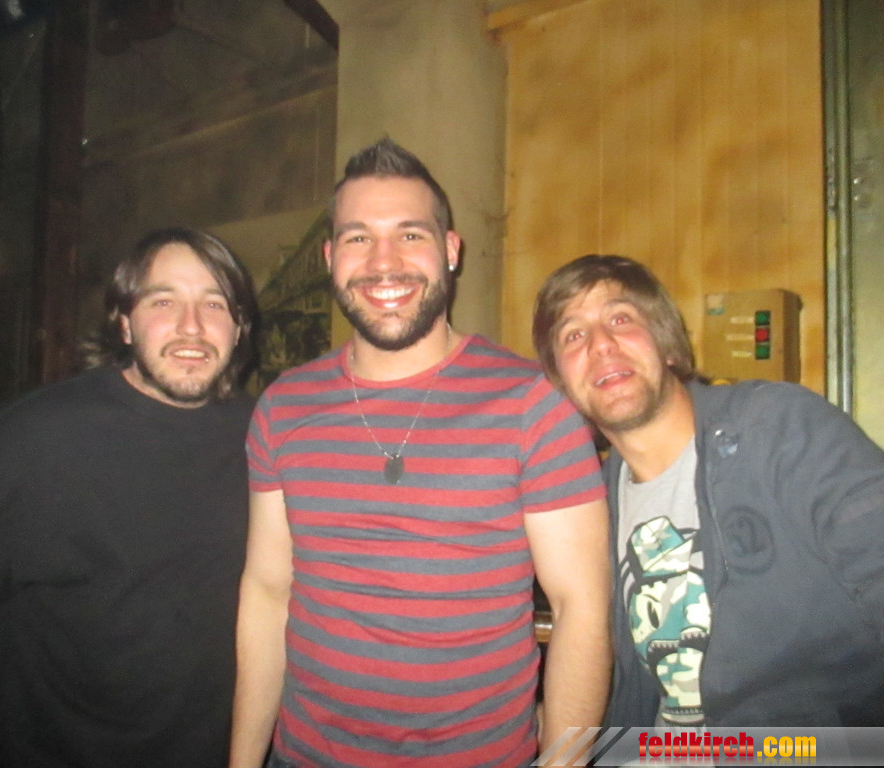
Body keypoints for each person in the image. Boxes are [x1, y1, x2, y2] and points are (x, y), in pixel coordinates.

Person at [229, 138, 611, 768]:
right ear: (329, 257)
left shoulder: (531, 404)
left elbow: (581, 610)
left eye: (410, 235)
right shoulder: (284, 407)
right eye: (358, 238)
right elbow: (268, 592)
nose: (384, 263)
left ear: (450, 251)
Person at [532, 253, 884, 728]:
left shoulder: (778, 426)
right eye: (574, 335)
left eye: (620, 319)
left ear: (667, 345)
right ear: (563, 383)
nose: (601, 344)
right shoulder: (593, 504)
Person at [0, 227, 258, 768]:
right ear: (124, 322)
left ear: (239, 326)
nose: (191, 326)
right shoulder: (33, 437)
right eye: (163, 301)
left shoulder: (262, 437)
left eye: (214, 303)